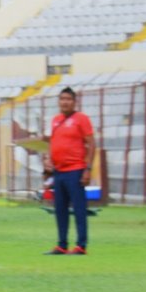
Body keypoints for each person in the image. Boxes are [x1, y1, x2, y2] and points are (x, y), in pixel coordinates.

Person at [45, 88, 94, 255]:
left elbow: (92, 144)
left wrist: (88, 169)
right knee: (60, 209)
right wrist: (48, 160)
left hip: (75, 170)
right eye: (62, 99)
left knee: (79, 208)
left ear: (74, 102)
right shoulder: (55, 120)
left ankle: (81, 245)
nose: (65, 102)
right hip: (59, 171)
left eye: (68, 99)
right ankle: (62, 244)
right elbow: (53, 143)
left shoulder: (82, 119)